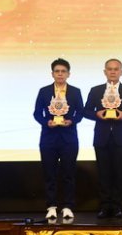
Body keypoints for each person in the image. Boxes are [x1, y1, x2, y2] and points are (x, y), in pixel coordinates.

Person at [83, 58, 122, 219]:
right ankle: (104, 206)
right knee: (103, 173)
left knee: (119, 173)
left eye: (116, 69)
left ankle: (117, 206)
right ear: (105, 72)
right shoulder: (96, 90)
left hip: (121, 138)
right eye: (110, 69)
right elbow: (86, 111)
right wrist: (97, 114)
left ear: (121, 72)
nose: (113, 71)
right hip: (101, 137)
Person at [32, 58, 84, 221]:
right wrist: (46, 122)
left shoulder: (75, 91)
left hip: (69, 138)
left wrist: (72, 121)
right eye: (57, 71)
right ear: (52, 74)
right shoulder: (44, 91)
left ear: (68, 74)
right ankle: (51, 206)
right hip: (49, 137)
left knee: (68, 173)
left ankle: (68, 206)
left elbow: (81, 113)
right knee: (50, 173)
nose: (60, 74)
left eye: (63, 71)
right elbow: (36, 113)